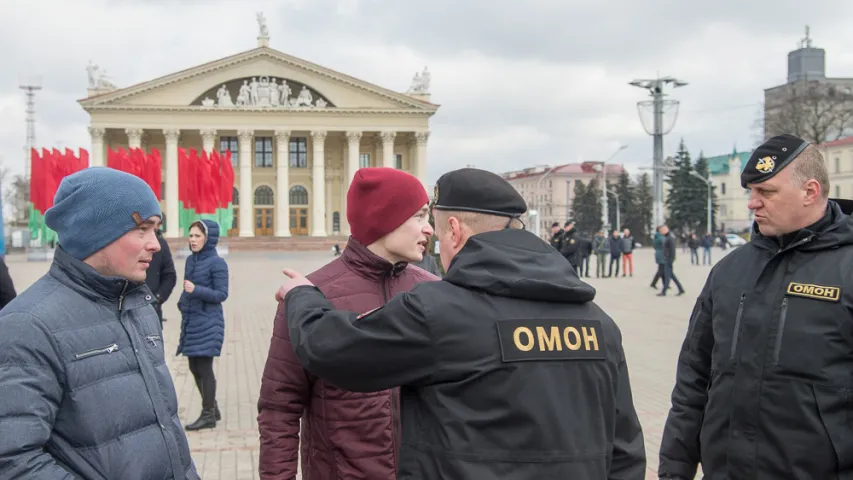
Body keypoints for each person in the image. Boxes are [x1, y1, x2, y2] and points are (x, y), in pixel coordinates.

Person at [276, 167, 646, 479]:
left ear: (454, 230)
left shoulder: (441, 312)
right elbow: (626, 450)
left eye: (434, 228)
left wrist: (303, 296)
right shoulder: (598, 324)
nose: (431, 237)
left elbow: (332, 349)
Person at [659, 134, 853, 479]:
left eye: (766, 192)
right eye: (751, 191)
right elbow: (693, 380)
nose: (752, 203)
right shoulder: (730, 270)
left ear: (810, 192)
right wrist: (675, 470)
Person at [0, 168, 198, 479]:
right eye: (143, 229)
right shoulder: (26, 327)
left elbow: (165, 427)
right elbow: (13, 461)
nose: (156, 244)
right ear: (96, 234)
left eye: (156, 229)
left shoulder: (139, 306)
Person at [257, 168, 439, 480]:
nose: (430, 229)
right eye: (420, 216)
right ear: (386, 218)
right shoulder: (309, 295)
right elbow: (280, 407)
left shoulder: (435, 291)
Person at [177, 219, 229, 431]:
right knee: (193, 366)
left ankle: (208, 414)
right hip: (192, 320)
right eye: (191, 236)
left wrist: (196, 290)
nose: (193, 240)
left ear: (208, 239)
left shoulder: (217, 263)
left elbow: (221, 294)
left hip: (209, 321)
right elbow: (187, 288)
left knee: (204, 367)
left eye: (198, 236)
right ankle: (213, 408)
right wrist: (182, 303)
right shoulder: (191, 261)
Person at [145, 214, 177, 327]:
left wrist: (158, 298)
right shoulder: (127, 242)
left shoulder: (161, 245)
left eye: (157, 224)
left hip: (152, 311)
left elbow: (169, 275)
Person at [657, 224, 684, 297]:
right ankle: (681, 289)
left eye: (661, 231)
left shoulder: (670, 237)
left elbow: (672, 250)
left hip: (669, 259)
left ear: (665, 229)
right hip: (667, 258)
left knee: (667, 276)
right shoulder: (667, 237)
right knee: (671, 275)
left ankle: (664, 291)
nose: (661, 232)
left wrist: (670, 259)